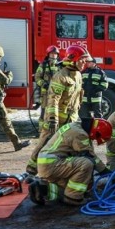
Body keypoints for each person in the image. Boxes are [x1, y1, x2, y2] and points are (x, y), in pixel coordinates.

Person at [26, 45, 89, 175]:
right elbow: (53, 100)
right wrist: (52, 120)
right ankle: (31, 170)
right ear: (73, 60)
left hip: (71, 119)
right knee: (45, 142)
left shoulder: (77, 75)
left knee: (68, 145)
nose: (84, 63)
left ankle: (61, 170)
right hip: (57, 119)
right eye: (82, 60)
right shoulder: (61, 76)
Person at [28, 118, 112, 206]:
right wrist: (104, 171)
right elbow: (90, 156)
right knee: (87, 163)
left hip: (49, 164)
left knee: (69, 187)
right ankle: (73, 198)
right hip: (53, 163)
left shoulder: (76, 127)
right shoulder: (80, 134)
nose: (95, 139)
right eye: (97, 137)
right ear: (96, 131)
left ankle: (41, 189)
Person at [33, 45, 61, 130]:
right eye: (52, 53)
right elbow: (37, 77)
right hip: (45, 93)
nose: (53, 55)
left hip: (57, 93)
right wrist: (43, 84)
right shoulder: (44, 65)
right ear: (48, 54)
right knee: (44, 112)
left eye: (55, 54)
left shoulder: (61, 65)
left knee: (57, 112)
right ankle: (41, 130)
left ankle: (56, 130)